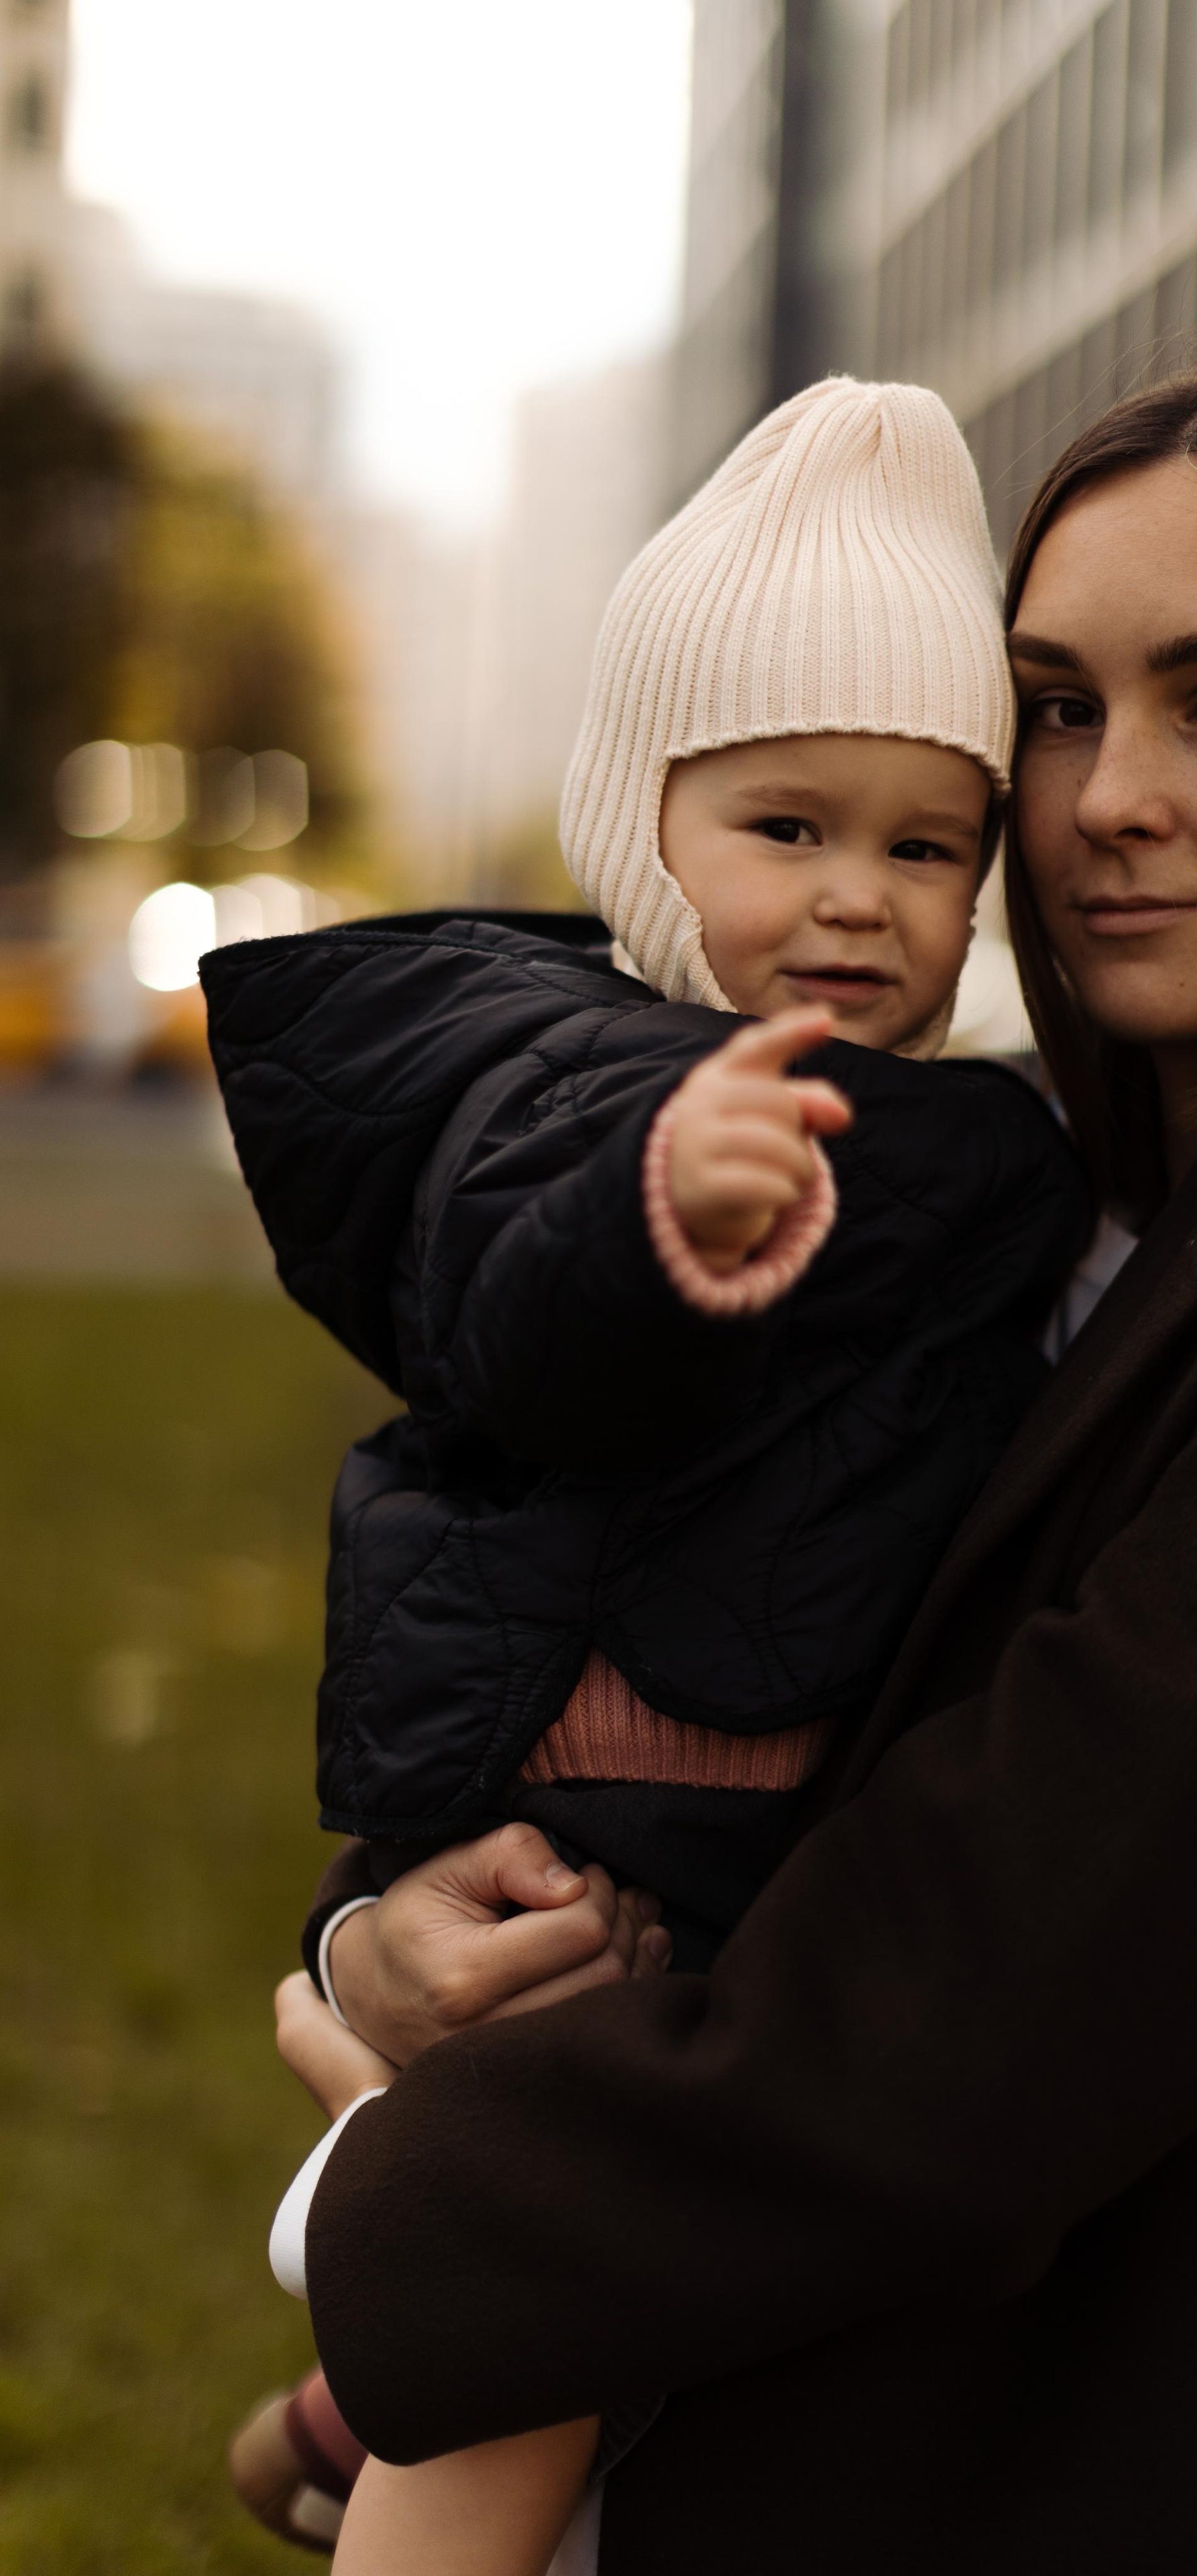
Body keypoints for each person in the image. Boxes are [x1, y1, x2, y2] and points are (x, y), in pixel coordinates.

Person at [275, 354, 1197, 2575]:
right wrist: (390, 1946)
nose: (1105, 795)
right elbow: (646, 1649)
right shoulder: (1011, 1208)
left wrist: (393, 2215)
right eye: (1054, 705)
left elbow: (954, 2025)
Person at [205, 377, 1090, 2565]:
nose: (863, 902)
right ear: (645, 822)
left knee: (644, 2315)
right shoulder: (581, 1077)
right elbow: (512, 1298)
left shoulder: (959, 1125)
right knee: (538, 2341)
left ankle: (330, 2420)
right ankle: (393, 2445)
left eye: (926, 843)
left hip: (739, 1831)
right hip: (598, 1799)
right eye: (788, 828)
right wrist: (660, 1213)